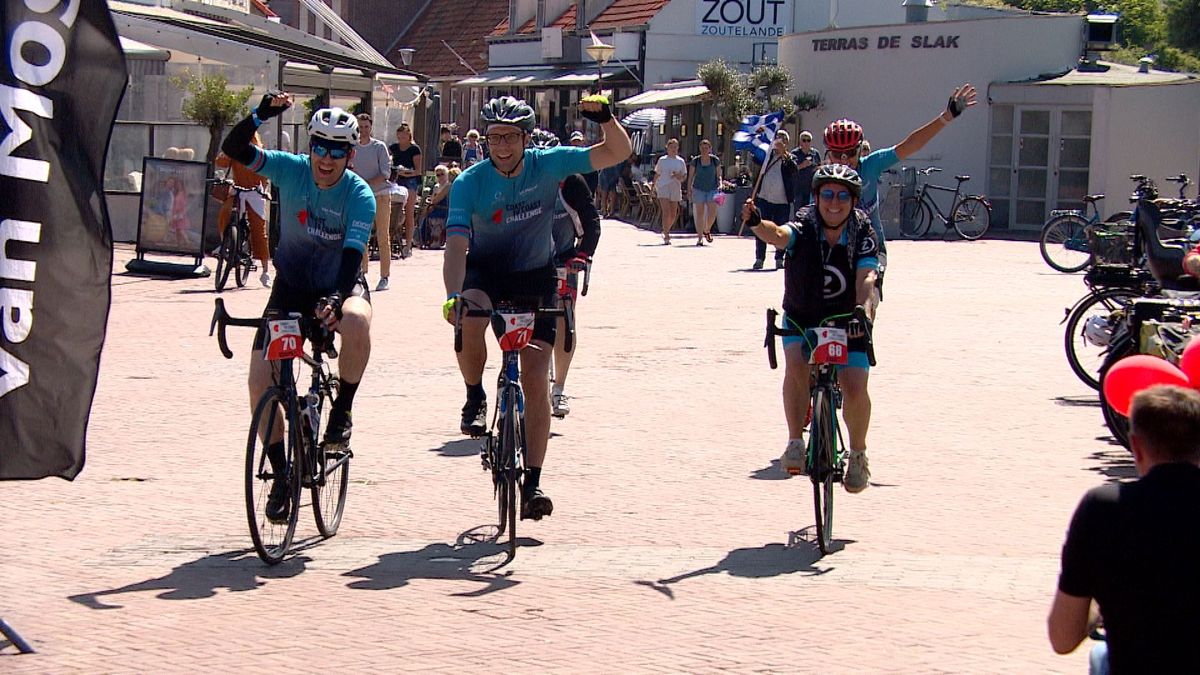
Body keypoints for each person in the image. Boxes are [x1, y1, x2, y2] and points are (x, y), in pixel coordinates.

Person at [443, 94, 630, 521]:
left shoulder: (548, 164)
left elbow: (616, 151)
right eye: (494, 137)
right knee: (468, 320)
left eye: (511, 137)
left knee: (534, 377)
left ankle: (533, 483)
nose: (502, 146)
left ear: (526, 139)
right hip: (486, 273)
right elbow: (455, 247)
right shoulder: (469, 182)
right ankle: (474, 396)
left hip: (535, 276)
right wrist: (453, 296)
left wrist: (606, 119)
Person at [221, 93, 375, 523]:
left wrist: (336, 299)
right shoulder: (289, 170)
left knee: (357, 320)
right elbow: (233, 149)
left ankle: (342, 409)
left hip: (338, 285)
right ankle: (282, 473)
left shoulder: (359, 195)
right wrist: (259, 115)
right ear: (310, 147)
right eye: (319, 147)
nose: (326, 158)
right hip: (290, 289)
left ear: (350, 155)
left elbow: (352, 256)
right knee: (260, 382)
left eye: (337, 151)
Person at [742, 164, 880, 492]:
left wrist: (863, 311)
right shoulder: (805, 222)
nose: (834, 202)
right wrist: (757, 223)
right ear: (816, 197)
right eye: (827, 194)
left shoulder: (862, 230)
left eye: (843, 196)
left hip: (846, 319)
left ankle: (858, 455)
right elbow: (779, 235)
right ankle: (795, 442)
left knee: (855, 386)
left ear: (854, 200)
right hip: (802, 316)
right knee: (796, 370)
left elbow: (867, 278)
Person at [1048, 384, 1200, 674]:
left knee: (1100, 657)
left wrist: (1097, 612)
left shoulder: (1103, 508)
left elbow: (1062, 638)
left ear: (1136, 446)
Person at [822, 83, 977, 305]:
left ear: (860, 149)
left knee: (866, 299)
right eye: (837, 154)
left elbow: (910, 145)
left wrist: (946, 117)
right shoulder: (820, 181)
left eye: (850, 152)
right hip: (832, 248)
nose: (844, 160)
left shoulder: (871, 165)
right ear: (828, 153)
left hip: (870, 245)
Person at [527, 129, 602, 419]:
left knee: (564, 316)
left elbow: (591, 222)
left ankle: (559, 387)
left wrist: (583, 254)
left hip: (564, 257)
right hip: (530, 258)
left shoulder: (572, 183)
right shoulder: (520, 182)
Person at [215, 132, 272, 287]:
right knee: (225, 212)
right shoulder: (236, 150)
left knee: (258, 229)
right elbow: (220, 162)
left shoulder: (260, 154)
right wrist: (227, 151)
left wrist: (264, 189)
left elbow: (267, 174)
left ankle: (265, 271)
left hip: (255, 193)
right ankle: (225, 242)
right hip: (238, 190)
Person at [351, 113, 394, 291]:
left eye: (366, 127)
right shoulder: (352, 147)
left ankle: (384, 276)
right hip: (360, 197)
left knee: (383, 236)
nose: (363, 130)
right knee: (361, 235)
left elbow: (385, 173)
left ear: (371, 127)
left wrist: (366, 184)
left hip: (380, 195)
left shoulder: (379, 147)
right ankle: (362, 273)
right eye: (360, 127)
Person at [752, 130, 798, 270]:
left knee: (781, 229)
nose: (779, 141)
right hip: (764, 198)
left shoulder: (790, 158)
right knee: (761, 227)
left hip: (782, 201)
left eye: (783, 139)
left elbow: (793, 169)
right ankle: (759, 258)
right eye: (778, 138)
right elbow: (755, 159)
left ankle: (779, 258)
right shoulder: (767, 155)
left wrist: (783, 153)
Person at [389, 123, 422, 259]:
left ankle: (408, 244)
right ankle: (391, 241)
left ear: (409, 135)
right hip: (396, 179)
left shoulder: (414, 149)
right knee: (392, 209)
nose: (401, 138)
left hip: (410, 180)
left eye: (404, 135)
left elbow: (418, 171)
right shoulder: (394, 148)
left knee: (409, 211)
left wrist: (406, 173)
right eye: (399, 136)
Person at [687, 138, 722, 245]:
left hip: (712, 188)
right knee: (700, 214)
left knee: (713, 212)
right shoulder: (696, 161)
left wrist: (720, 184)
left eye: (706, 148)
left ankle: (707, 229)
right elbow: (691, 176)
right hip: (698, 189)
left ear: (710, 149)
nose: (704, 150)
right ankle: (700, 237)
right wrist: (689, 190)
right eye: (702, 148)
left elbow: (719, 175)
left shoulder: (715, 160)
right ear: (700, 149)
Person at [654, 139, 687, 244]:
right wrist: (653, 187)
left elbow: (683, 177)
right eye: (671, 147)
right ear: (667, 148)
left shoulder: (680, 161)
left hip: (675, 186)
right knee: (666, 212)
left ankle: (666, 229)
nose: (673, 149)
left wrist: (678, 176)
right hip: (663, 186)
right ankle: (667, 235)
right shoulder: (662, 160)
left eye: (675, 147)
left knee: (673, 213)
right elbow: (657, 173)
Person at [419, 164, 453, 249]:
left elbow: (436, 200)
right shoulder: (436, 186)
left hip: (444, 209)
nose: (440, 177)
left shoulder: (448, 186)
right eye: (438, 175)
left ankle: (435, 239)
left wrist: (431, 205)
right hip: (435, 207)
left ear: (447, 174)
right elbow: (433, 200)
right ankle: (423, 239)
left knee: (429, 214)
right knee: (422, 214)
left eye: (442, 174)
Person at [790, 130, 821, 212]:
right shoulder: (795, 153)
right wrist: (802, 165)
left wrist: (817, 168)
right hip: (798, 188)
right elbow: (790, 169)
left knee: (809, 211)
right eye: (804, 140)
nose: (806, 142)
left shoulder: (815, 153)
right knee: (798, 211)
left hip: (811, 188)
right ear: (800, 142)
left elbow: (818, 167)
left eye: (808, 140)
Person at [570, 131, 599, 195]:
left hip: (587, 192)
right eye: (574, 141)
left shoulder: (588, 156)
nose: (576, 143)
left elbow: (594, 175)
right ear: (571, 143)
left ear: (583, 142)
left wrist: (590, 192)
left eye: (578, 141)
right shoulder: (568, 157)